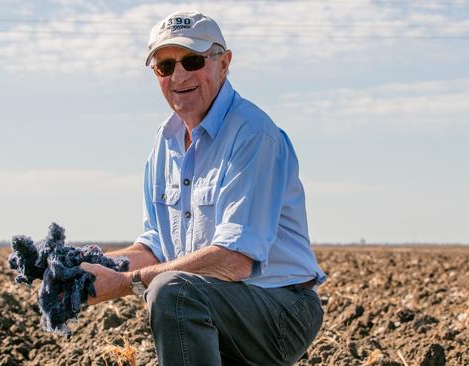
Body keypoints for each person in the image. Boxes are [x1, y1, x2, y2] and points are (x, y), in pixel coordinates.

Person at [80, 10, 326, 366]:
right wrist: (91, 268)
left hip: (282, 310)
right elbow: (155, 246)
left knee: (171, 292)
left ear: (224, 64)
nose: (179, 75)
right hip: (222, 300)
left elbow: (235, 259)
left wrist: (124, 282)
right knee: (172, 289)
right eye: (165, 67)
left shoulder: (252, 135)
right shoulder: (164, 144)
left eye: (192, 61)